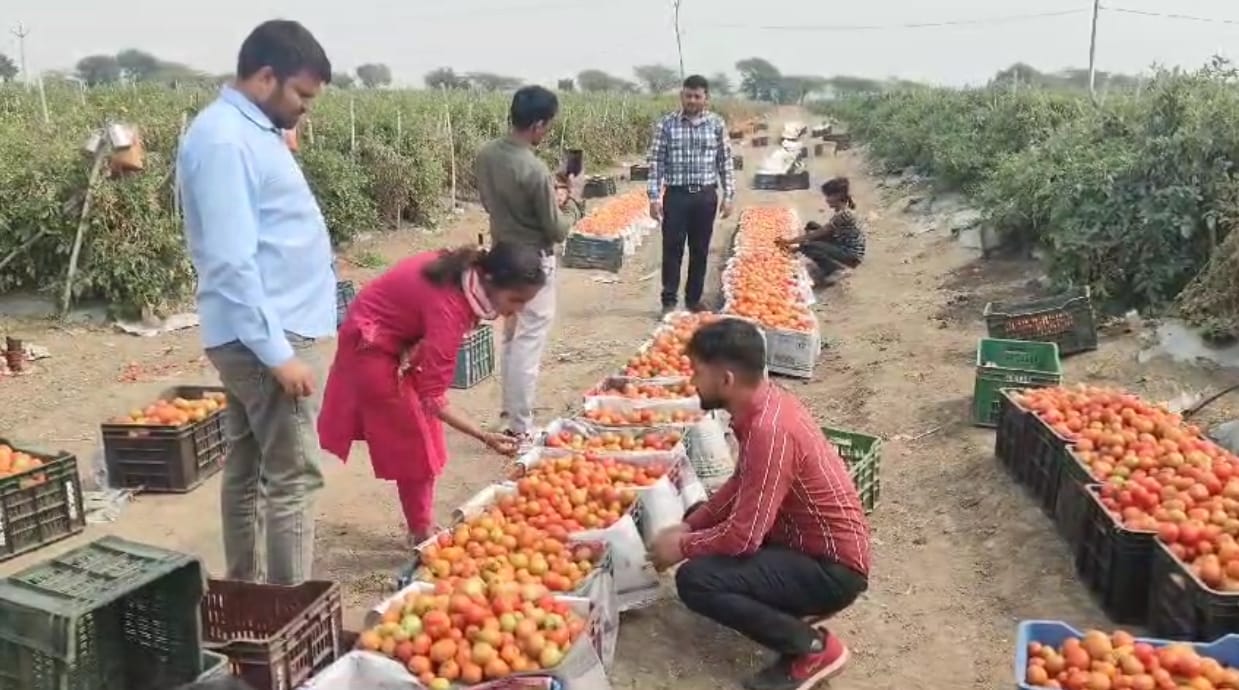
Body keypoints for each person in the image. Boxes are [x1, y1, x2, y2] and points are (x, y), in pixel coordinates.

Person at [177, 20, 335, 585]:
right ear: (266, 76)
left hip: (260, 329)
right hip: (269, 334)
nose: (305, 110)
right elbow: (230, 259)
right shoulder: (224, 140)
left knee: (246, 468)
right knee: (292, 477)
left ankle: (248, 596)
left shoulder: (246, 129)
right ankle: (288, 612)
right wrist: (278, 354)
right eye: (301, 95)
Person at [650, 318, 871, 690]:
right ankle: (787, 608)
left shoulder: (770, 431)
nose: (692, 382)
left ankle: (813, 649)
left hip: (832, 569)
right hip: (803, 545)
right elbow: (741, 485)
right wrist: (693, 525)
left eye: (698, 372)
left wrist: (681, 546)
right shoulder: (767, 406)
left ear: (726, 380)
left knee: (696, 578)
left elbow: (744, 538)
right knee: (701, 531)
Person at [317, 244, 544, 545]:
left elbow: (412, 307)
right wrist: (484, 436)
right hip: (369, 347)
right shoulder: (450, 309)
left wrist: (413, 346)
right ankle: (421, 531)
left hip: (392, 338)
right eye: (515, 299)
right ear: (490, 281)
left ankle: (420, 526)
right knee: (417, 445)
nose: (517, 310)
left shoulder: (463, 275)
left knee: (425, 439)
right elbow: (433, 398)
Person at [475, 85, 585, 445]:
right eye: (547, 126)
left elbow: (494, 202)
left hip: (501, 252)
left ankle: (510, 412)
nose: (546, 132)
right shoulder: (534, 169)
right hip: (532, 264)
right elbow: (555, 229)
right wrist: (573, 201)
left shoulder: (487, 154)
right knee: (530, 338)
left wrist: (546, 197)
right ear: (538, 125)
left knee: (510, 335)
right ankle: (520, 425)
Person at [646, 74, 736, 316]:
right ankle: (668, 300)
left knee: (700, 250)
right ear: (681, 96)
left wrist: (729, 195)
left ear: (706, 98)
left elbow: (725, 161)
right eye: (688, 96)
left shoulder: (716, 124)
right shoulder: (667, 124)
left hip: (705, 197)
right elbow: (656, 163)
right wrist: (654, 198)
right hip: (676, 196)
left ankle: (694, 299)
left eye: (697, 96)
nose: (692, 100)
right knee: (672, 248)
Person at [776, 177, 866, 286]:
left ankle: (836, 270)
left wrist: (789, 242)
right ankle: (824, 260)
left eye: (829, 196)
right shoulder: (844, 210)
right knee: (812, 226)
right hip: (842, 242)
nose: (826, 199)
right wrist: (795, 246)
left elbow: (819, 233)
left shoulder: (843, 215)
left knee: (808, 246)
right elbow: (825, 232)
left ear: (838, 196)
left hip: (851, 255)